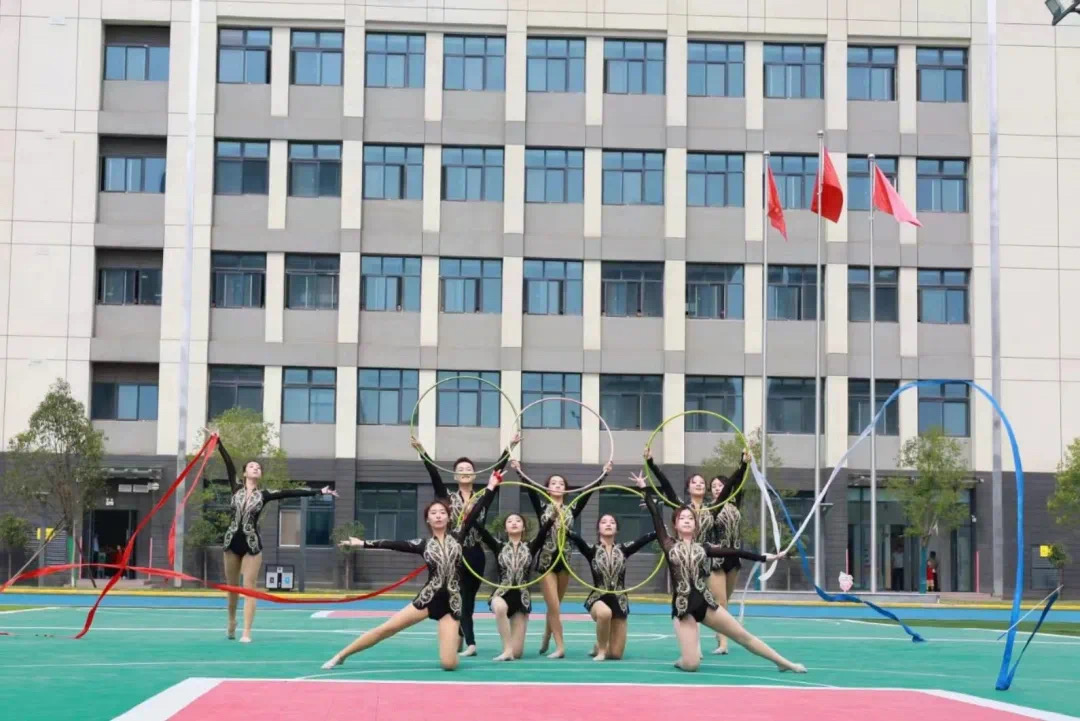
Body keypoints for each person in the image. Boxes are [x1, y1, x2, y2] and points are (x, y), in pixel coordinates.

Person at [322, 471, 503, 671]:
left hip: (452, 604)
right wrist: (363, 543)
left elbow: (477, 510)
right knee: (387, 628)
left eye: (442, 512)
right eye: (433, 513)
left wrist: (491, 486)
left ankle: (449, 638)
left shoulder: (459, 536)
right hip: (428, 599)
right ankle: (341, 655)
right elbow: (393, 544)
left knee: (449, 664)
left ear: (449, 517)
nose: (438, 516)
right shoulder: (422, 544)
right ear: (428, 520)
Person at [633, 471, 806, 674]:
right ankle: (682, 660)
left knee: (743, 635)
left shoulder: (704, 548)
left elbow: (736, 551)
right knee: (691, 665)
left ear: (696, 525)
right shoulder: (668, 544)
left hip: (705, 604)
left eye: (690, 518)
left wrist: (766, 558)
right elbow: (655, 514)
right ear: (675, 524)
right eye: (682, 518)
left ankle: (783, 663)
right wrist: (644, 489)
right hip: (683, 609)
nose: (687, 520)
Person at [217, 441, 338, 643]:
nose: (256, 468)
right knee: (232, 587)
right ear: (245, 473)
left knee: (249, 588)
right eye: (252, 466)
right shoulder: (235, 488)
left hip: (251, 545)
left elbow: (290, 492)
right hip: (231, 543)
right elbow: (228, 463)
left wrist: (319, 491)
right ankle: (231, 621)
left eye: (258, 467)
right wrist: (218, 443)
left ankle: (246, 631)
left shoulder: (264, 495)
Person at [412, 433, 519, 657]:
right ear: (455, 475)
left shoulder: (483, 495)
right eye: (460, 469)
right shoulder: (447, 498)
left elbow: (496, 474)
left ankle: (463, 637)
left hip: (476, 554)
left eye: (468, 468)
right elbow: (434, 477)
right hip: (455, 553)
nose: (464, 471)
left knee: (468, 598)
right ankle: (470, 643)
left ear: (474, 474)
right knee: (458, 596)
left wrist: (509, 447)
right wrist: (422, 452)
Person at [646, 447, 749, 655]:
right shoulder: (683, 508)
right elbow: (666, 486)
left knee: (720, 601)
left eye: (702, 482)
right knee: (691, 602)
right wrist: (651, 464)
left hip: (706, 558)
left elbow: (730, 486)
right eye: (695, 482)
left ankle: (722, 641)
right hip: (686, 561)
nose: (699, 484)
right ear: (688, 487)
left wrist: (743, 464)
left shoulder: (713, 508)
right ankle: (698, 647)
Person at [511, 458, 613, 659]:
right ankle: (560, 647)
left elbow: (587, 494)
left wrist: (604, 474)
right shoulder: (542, 507)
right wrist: (519, 471)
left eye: (561, 483)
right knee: (554, 607)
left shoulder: (571, 508)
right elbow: (530, 490)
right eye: (553, 483)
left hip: (564, 561)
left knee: (556, 605)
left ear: (565, 489)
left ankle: (547, 634)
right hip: (546, 562)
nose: (557, 485)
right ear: (547, 488)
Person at [469, 497, 557, 661]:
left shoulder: (530, 546)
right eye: (510, 521)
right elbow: (480, 529)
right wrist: (471, 513)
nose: (514, 523)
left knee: (518, 653)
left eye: (518, 521)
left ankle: (511, 650)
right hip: (502, 593)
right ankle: (506, 650)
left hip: (521, 598)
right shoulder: (498, 546)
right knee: (500, 607)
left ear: (523, 527)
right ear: (505, 528)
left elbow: (544, 532)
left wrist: (552, 517)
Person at [564, 513, 656, 661]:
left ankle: (598, 646)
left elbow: (643, 540)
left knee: (615, 655)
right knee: (604, 613)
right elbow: (577, 539)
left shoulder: (623, 549)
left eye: (612, 522)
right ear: (598, 529)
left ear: (617, 529)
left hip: (619, 601)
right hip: (598, 598)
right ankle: (601, 650)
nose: (608, 524)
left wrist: (658, 531)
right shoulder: (592, 550)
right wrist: (564, 529)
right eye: (604, 522)